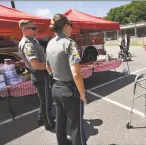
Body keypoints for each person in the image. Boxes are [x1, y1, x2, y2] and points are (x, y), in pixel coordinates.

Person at [46, 13, 87, 145]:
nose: (71, 28)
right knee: (76, 126)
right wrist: (83, 94)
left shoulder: (50, 43)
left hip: (56, 87)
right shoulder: (69, 43)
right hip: (69, 90)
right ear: (65, 26)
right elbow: (76, 74)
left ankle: (62, 142)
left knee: (61, 120)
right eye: (70, 25)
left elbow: (48, 68)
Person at [18, 20, 55, 130]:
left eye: (36, 27)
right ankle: (48, 123)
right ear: (24, 30)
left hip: (41, 74)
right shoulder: (28, 44)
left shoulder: (31, 40)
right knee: (47, 101)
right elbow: (36, 65)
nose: (36, 30)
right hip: (40, 74)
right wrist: (52, 67)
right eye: (33, 28)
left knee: (45, 100)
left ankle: (41, 118)